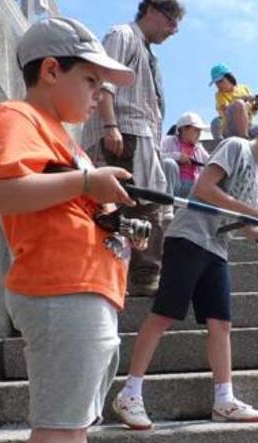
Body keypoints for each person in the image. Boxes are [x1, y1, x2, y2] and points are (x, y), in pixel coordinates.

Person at [0, 17, 137, 443]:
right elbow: (0, 191)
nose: (99, 95)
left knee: (75, 426)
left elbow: (69, 203)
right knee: (57, 426)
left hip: (89, 291)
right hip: (61, 290)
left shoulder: (68, 143)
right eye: (91, 80)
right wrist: (87, 182)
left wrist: (116, 220)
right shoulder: (15, 116)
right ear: (50, 70)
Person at [112, 111, 258, 430]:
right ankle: (129, 393)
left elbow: (248, 228)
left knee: (220, 323)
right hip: (188, 238)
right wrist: (252, 212)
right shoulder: (236, 146)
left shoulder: (257, 175)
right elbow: (205, 189)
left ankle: (224, 400)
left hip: (216, 248)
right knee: (164, 315)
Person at [81, 0, 185, 297]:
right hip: (124, 132)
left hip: (139, 135)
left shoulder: (147, 52)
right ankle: (143, 275)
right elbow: (105, 84)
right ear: (151, 10)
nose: (173, 29)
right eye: (171, 19)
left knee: (142, 203)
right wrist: (110, 126)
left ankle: (137, 273)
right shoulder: (123, 35)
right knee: (138, 203)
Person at [209, 63, 258, 139]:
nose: (218, 85)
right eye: (216, 83)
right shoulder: (219, 95)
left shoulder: (245, 88)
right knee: (239, 103)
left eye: (220, 81)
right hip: (230, 130)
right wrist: (244, 99)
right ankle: (244, 140)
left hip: (248, 127)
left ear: (229, 77)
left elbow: (253, 112)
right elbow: (226, 110)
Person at [160, 112, 211, 197]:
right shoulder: (167, 141)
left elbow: (210, 162)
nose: (199, 134)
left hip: (193, 187)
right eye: (196, 130)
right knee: (168, 163)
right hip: (175, 184)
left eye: (199, 131)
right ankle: (167, 203)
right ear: (184, 129)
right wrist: (178, 157)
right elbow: (156, 157)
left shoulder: (199, 148)